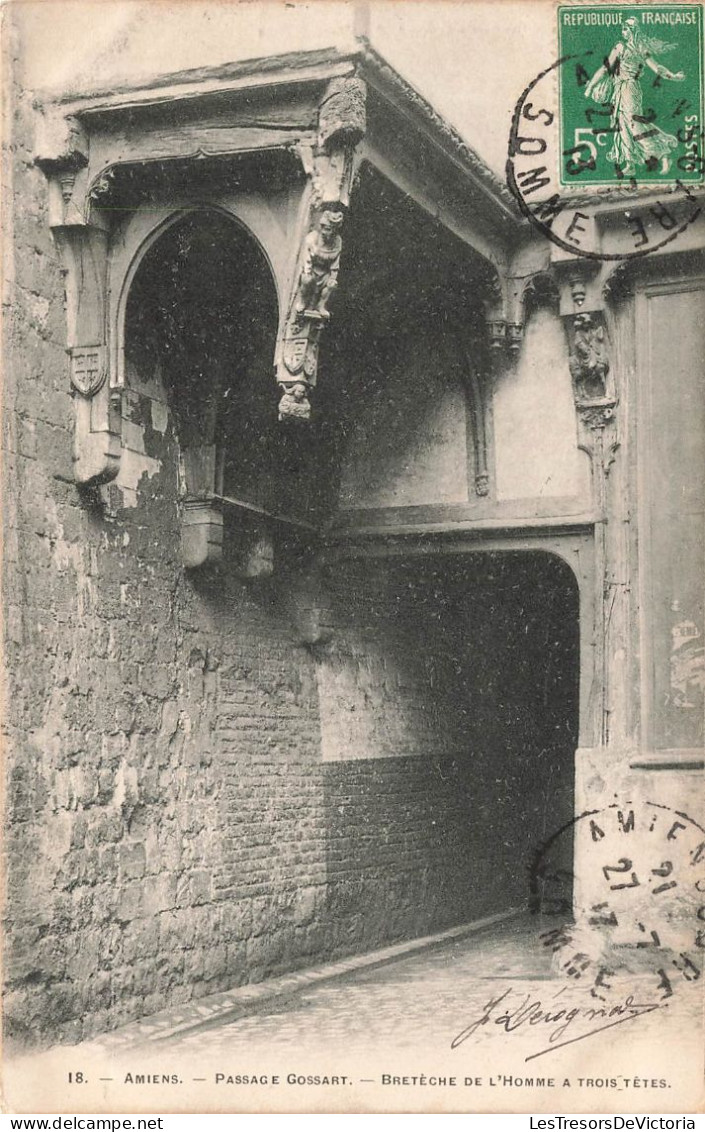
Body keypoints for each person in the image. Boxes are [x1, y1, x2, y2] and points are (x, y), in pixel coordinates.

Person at [584, 17, 685, 176]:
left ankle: (663, 155)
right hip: (618, 90)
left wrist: (672, 76)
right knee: (622, 126)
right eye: (622, 29)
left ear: (633, 31)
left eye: (626, 29)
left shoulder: (640, 47)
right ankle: (630, 163)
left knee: (635, 124)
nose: (623, 32)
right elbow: (605, 69)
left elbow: (656, 67)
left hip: (631, 89)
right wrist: (591, 86)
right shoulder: (619, 47)